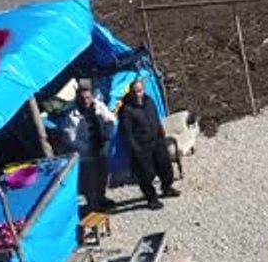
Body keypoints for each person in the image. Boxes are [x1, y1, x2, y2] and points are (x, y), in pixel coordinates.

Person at [119, 79, 180, 209]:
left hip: (156, 140)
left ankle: (167, 187)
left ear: (143, 90)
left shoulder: (149, 101)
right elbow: (127, 133)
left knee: (165, 166)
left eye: (139, 91)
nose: (137, 94)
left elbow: (156, 118)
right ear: (130, 92)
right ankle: (151, 198)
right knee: (146, 174)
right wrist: (136, 149)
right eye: (134, 92)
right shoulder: (127, 110)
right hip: (142, 147)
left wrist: (161, 134)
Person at [57, 82, 117, 211]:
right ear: (78, 99)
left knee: (102, 176)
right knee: (90, 181)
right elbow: (70, 139)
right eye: (83, 98)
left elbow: (110, 118)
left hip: (101, 148)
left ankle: (102, 198)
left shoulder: (98, 106)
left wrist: (108, 131)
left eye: (88, 98)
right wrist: (87, 148)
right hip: (87, 153)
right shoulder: (71, 116)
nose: (86, 101)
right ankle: (94, 205)